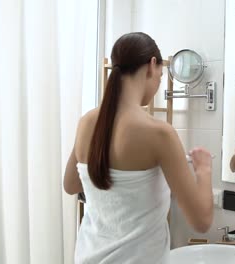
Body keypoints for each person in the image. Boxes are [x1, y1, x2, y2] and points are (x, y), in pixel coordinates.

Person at [63, 32, 213, 264]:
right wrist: (203, 170)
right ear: (152, 65)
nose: (157, 85)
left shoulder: (87, 122)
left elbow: (71, 185)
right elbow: (201, 222)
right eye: (161, 77)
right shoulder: (159, 133)